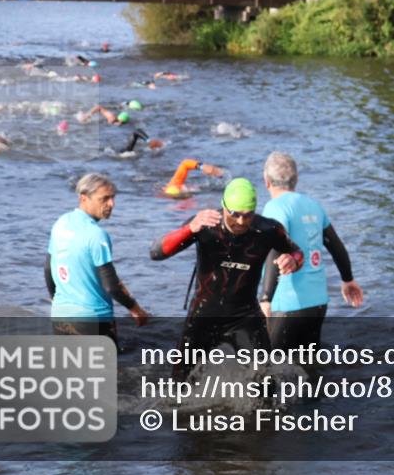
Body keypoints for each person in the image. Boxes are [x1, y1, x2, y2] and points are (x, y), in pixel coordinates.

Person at [149, 178, 303, 378]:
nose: (241, 221)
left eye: (247, 215)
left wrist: (293, 260)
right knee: (179, 385)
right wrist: (189, 229)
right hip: (203, 314)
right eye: (235, 214)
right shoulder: (205, 224)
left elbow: (297, 252)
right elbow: (156, 253)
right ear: (224, 207)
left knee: (265, 382)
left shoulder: (267, 230)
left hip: (244, 316)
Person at [259, 152, 363, 351]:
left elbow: (275, 247)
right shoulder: (313, 205)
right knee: (309, 368)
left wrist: (266, 298)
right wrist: (348, 280)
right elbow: (336, 246)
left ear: (266, 181)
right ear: (296, 180)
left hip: (286, 302)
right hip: (317, 302)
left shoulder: (274, 207)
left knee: (270, 370)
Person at [47, 173, 149, 345]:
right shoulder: (96, 235)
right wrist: (135, 309)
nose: (111, 204)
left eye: (113, 198)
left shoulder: (61, 223)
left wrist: (56, 299)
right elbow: (111, 286)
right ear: (84, 198)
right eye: (105, 198)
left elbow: (48, 268)